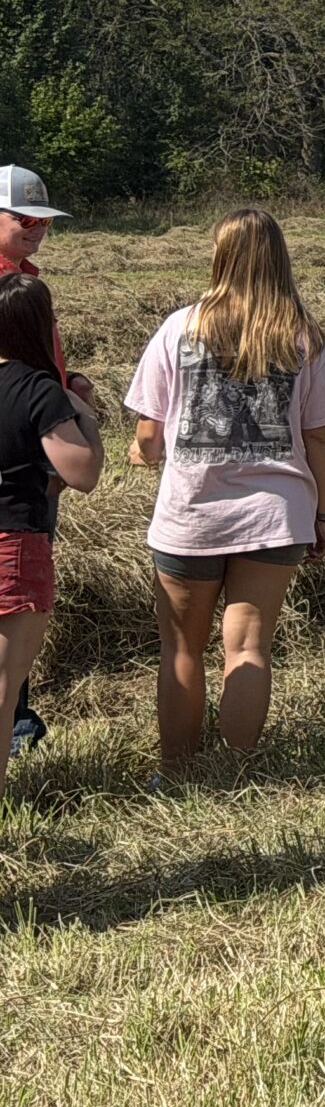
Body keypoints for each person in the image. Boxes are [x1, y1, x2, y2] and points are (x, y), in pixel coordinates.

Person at [125, 209, 325, 776]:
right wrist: (322, 515)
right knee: (248, 647)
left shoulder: (180, 328)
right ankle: (237, 768)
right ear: (280, 257)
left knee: (182, 649)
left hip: (192, 514)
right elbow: (319, 437)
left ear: (219, 255)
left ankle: (177, 770)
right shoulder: (306, 336)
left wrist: (143, 453)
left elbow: (149, 435)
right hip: (275, 515)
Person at [0, 164, 97, 761]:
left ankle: (16, 714)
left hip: (40, 438)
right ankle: (13, 722)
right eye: (24, 220)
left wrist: (66, 383)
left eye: (44, 222)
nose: (38, 230)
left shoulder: (26, 279)